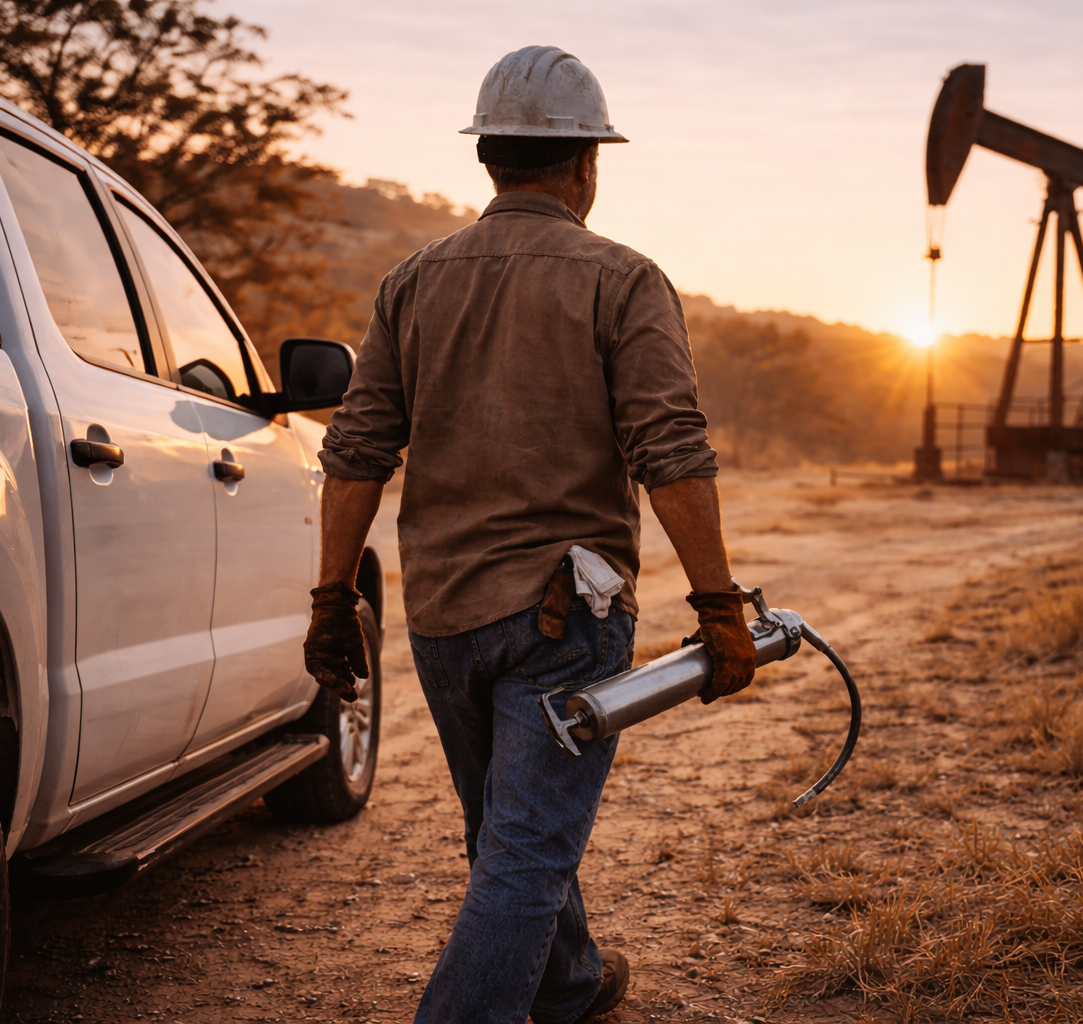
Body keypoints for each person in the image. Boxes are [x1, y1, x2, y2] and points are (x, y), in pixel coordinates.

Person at [301, 45, 758, 1024]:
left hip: (442, 617)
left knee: (505, 830)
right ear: (588, 162)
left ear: (489, 159)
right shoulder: (623, 280)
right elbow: (670, 450)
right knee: (526, 847)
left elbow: (355, 453)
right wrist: (718, 604)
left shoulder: (411, 283)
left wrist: (332, 598)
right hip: (564, 617)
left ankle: (566, 981)